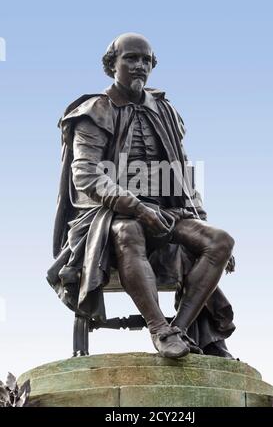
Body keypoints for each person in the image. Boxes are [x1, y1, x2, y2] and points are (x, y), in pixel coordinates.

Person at [47, 33, 236, 359]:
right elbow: (86, 175)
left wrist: (200, 220)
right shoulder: (93, 111)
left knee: (220, 241)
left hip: (166, 213)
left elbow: (183, 176)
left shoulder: (165, 110)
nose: (139, 66)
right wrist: (136, 208)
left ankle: (177, 329)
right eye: (131, 58)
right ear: (112, 64)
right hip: (106, 217)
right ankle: (158, 327)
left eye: (146, 60)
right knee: (129, 230)